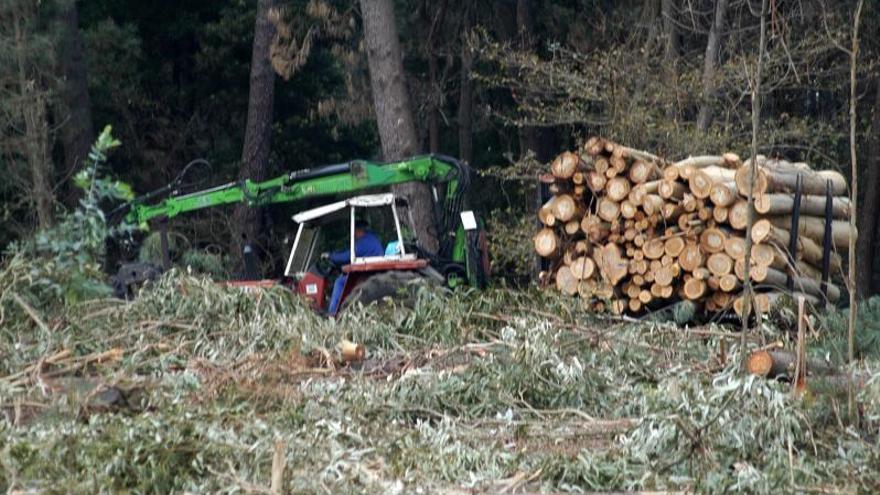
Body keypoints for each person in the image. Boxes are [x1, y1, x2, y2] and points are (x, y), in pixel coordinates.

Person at [323, 220, 383, 314]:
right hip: (369, 271)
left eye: (354, 232)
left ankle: (332, 312)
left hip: (365, 274)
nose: (354, 235)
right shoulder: (373, 239)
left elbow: (347, 256)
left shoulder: (364, 242)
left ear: (359, 230)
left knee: (339, 282)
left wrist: (330, 256)